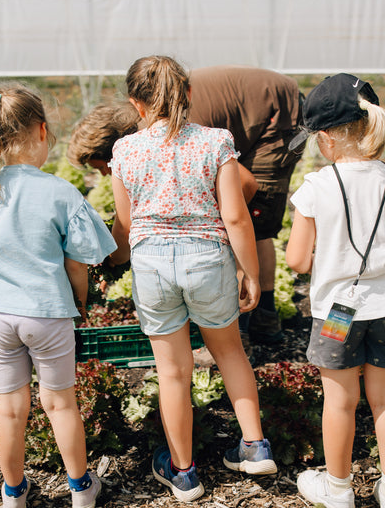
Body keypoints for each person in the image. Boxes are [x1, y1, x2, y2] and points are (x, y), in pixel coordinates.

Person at [106, 56, 277, 502]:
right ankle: (255, 446)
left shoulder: (125, 151)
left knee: (173, 373)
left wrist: (114, 261)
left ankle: (183, 473)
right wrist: (251, 272)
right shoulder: (216, 142)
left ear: (135, 104)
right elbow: (236, 217)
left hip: (152, 266)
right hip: (208, 259)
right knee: (230, 352)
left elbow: (125, 227)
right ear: (187, 94)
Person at [0, 83, 115, 508]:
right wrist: (79, 303)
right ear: (43, 131)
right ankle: (82, 489)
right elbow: (80, 261)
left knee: (9, 409)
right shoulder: (59, 191)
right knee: (60, 405)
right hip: (47, 314)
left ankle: (13, 493)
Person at [68, 65, 305, 346]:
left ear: (117, 145)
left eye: (104, 169)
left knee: (254, 220)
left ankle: (259, 318)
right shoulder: (153, 119)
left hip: (277, 112)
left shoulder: (184, 127)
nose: (107, 176)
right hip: (251, 108)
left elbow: (247, 186)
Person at [286, 73, 385, 508]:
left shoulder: (315, 187)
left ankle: (340, 490)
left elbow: (296, 260)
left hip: (336, 314)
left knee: (340, 403)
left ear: (324, 139)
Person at [188, 65, 305, 345]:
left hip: (279, 118)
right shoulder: (160, 109)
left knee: (251, 223)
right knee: (242, 222)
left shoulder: (172, 123)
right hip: (261, 112)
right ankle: (259, 317)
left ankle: (247, 325)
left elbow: (246, 184)